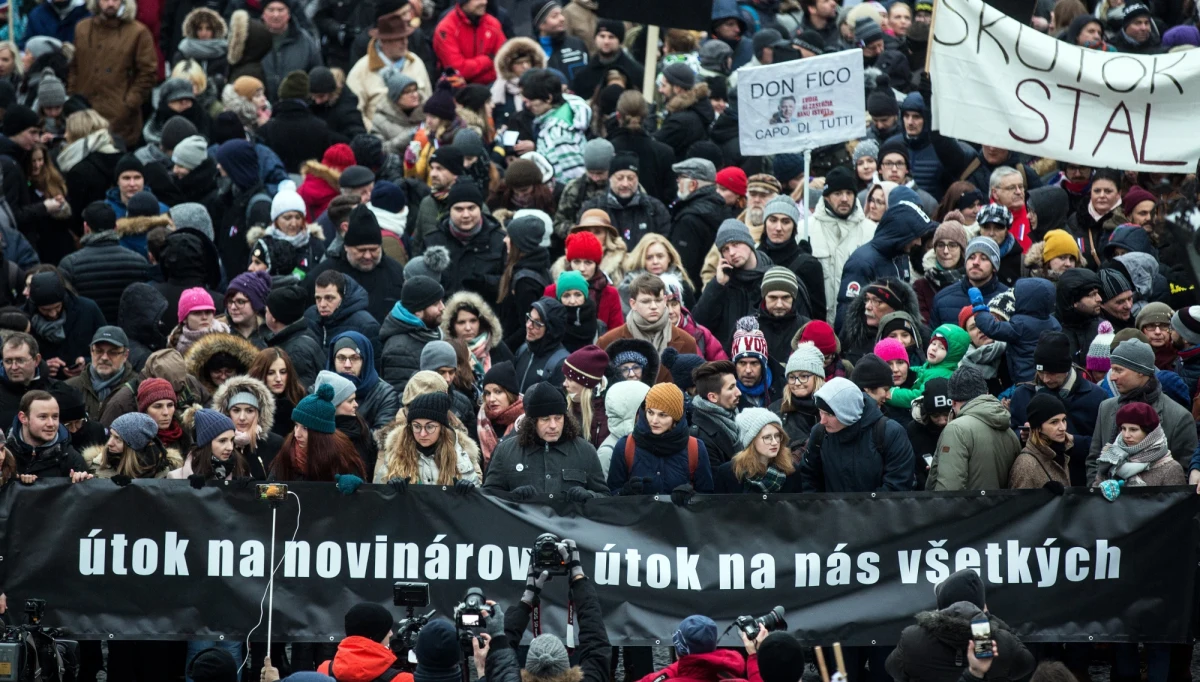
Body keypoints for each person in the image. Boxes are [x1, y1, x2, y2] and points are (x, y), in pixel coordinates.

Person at [886, 569, 1036, 682]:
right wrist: (989, 619)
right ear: (981, 604)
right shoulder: (999, 641)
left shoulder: (912, 639)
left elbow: (892, 669)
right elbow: (1026, 665)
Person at [1086, 339, 1197, 481]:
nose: (1112, 377)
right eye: (1112, 369)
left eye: (1119, 370)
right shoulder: (1106, 408)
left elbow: (1184, 474)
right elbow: (1094, 460)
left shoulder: (1179, 417)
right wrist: (1097, 495)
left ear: (1141, 371)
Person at [1007, 332, 1105, 485]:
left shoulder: (1096, 398)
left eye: (1052, 373)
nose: (1046, 379)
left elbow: (1105, 446)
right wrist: (1021, 436)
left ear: (1066, 368)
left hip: (1081, 487)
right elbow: (1009, 437)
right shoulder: (1022, 395)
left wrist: (1072, 441)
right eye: (1041, 372)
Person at [481, 381, 606, 499]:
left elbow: (605, 497)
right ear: (532, 422)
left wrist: (590, 496)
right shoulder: (506, 451)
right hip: (522, 521)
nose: (553, 425)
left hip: (570, 521)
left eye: (558, 418)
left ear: (566, 419)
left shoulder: (585, 451)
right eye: (545, 419)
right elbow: (489, 497)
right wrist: (512, 497)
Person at [835, 186, 931, 328]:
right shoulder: (861, 263)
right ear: (901, 233)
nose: (918, 242)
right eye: (915, 236)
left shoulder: (901, 257)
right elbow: (847, 316)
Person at [798, 376, 914, 492]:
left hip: (879, 509)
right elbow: (808, 477)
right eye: (821, 412)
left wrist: (866, 509)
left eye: (829, 414)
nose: (822, 421)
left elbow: (898, 484)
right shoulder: (819, 433)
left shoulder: (889, 433)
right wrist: (821, 508)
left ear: (848, 413)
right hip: (831, 509)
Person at [67, 0, 157, 145]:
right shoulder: (82, 28)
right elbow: (74, 67)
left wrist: (129, 103)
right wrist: (72, 96)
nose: (110, 3)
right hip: (84, 112)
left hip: (120, 119)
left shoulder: (138, 32)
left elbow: (148, 73)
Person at [607, 382, 713, 498]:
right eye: (650, 412)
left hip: (679, 516)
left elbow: (707, 499)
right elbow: (610, 497)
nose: (654, 420)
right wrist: (624, 493)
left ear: (675, 418)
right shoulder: (625, 446)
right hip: (637, 516)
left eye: (663, 415)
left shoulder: (695, 448)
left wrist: (692, 496)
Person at [307, 204, 407, 324]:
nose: (368, 256)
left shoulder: (396, 272)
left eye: (373, 249)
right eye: (361, 250)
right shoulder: (323, 274)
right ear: (347, 247)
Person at [926, 365, 1022, 490]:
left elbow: (949, 492)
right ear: (986, 394)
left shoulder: (956, 429)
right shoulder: (1010, 432)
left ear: (953, 402)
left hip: (969, 509)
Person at [58, 201, 149, 325]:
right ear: (116, 227)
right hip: (127, 336)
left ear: (86, 228)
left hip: (89, 334)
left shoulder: (70, 264)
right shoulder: (139, 262)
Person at [598, 274, 698, 383]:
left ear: (665, 301)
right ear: (633, 304)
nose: (653, 306)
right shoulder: (608, 342)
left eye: (658, 300)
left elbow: (692, 387)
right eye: (646, 301)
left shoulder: (687, 342)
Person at [375, 390, 480, 487]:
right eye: (416, 426)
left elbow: (476, 495)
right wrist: (390, 489)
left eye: (430, 427)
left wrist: (467, 489)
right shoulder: (397, 453)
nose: (423, 433)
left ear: (442, 428)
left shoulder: (458, 453)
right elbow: (379, 495)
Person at [693, 219, 773, 343]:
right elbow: (699, 326)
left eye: (736, 244)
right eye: (725, 249)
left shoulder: (773, 276)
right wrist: (717, 285)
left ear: (748, 242)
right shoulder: (723, 283)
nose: (732, 253)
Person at [269, 383, 367, 481]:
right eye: (296, 425)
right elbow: (269, 489)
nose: (297, 434)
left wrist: (351, 488)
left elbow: (361, 488)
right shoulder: (287, 450)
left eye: (305, 428)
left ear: (321, 433)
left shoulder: (342, 456)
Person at [24, 271, 107, 381]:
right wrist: (42, 367)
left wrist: (87, 363)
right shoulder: (24, 318)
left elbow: (106, 342)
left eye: (57, 307)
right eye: (46, 310)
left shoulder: (87, 309)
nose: (53, 314)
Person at [521, 68, 590, 182]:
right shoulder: (566, 109)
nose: (527, 105)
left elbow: (575, 177)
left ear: (549, 98)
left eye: (531, 100)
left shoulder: (557, 132)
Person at [209, 374, 284, 477]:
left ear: (259, 414)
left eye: (249, 410)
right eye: (236, 410)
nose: (242, 417)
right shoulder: (215, 443)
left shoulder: (275, 444)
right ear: (227, 413)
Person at [380, 276, 446, 393]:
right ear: (418, 312)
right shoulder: (399, 350)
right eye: (436, 304)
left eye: (441, 301)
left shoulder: (433, 333)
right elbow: (401, 396)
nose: (443, 307)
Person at [714, 407, 802, 493]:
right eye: (767, 437)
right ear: (751, 441)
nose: (775, 442)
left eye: (777, 436)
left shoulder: (791, 470)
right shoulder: (729, 472)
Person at [7, 390, 89, 480]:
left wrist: (80, 483)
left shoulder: (71, 459)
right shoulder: (4, 454)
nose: (51, 424)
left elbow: (86, 493)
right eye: (43, 417)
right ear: (23, 418)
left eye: (55, 417)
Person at [65, 326, 136, 421]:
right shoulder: (69, 388)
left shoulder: (137, 389)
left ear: (125, 355)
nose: (104, 357)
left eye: (113, 352)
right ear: (91, 351)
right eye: (99, 351)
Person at [167, 407, 255, 480]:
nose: (230, 447)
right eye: (222, 441)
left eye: (232, 440)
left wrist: (268, 493)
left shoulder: (241, 470)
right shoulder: (176, 478)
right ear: (206, 443)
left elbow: (258, 497)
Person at [263, 286, 325, 388]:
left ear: (274, 317)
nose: (265, 314)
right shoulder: (304, 334)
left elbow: (300, 393)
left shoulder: (296, 352)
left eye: (267, 311)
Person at [1009, 393, 1073, 489]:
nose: (1063, 428)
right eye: (1054, 422)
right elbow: (1020, 503)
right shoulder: (1026, 465)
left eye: (1063, 420)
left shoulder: (1061, 452)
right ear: (1038, 427)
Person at [304, 270, 381, 350]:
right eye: (318, 298)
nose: (322, 304)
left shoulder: (367, 326)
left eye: (329, 298)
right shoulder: (310, 316)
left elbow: (374, 361)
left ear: (343, 297)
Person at [432, 0, 503, 85]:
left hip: (492, 86)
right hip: (459, 91)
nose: (484, 2)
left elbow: (503, 62)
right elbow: (458, 70)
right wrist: (488, 60)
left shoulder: (493, 24)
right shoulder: (446, 29)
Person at [655, 65, 715, 161]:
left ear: (678, 89)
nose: (660, 90)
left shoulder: (679, 121)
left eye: (664, 86)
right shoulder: (696, 109)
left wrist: (648, 121)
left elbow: (654, 146)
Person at [691, 361, 741, 469]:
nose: (738, 392)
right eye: (731, 388)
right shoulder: (701, 438)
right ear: (713, 397)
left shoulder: (737, 415)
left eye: (736, 385)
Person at [513, 297, 569, 393]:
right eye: (529, 318)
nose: (528, 325)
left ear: (551, 329)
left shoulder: (561, 364)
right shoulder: (523, 350)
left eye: (537, 323)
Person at [249, 347, 306, 439]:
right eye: (271, 373)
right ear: (260, 373)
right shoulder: (248, 403)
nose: (278, 379)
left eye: (283, 372)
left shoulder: (301, 399)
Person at [476, 361, 523, 468]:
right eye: (487, 393)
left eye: (498, 392)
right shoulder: (481, 419)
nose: (491, 399)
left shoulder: (527, 419)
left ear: (510, 393)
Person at [562, 345, 609, 449]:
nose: (564, 384)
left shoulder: (606, 416)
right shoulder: (563, 406)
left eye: (569, 379)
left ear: (585, 384)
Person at [221, 271, 271, 348]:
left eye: (240, 302)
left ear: (256, 304)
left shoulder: (271, 333)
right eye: (230, 301)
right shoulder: (219, 331)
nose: (233, 307)